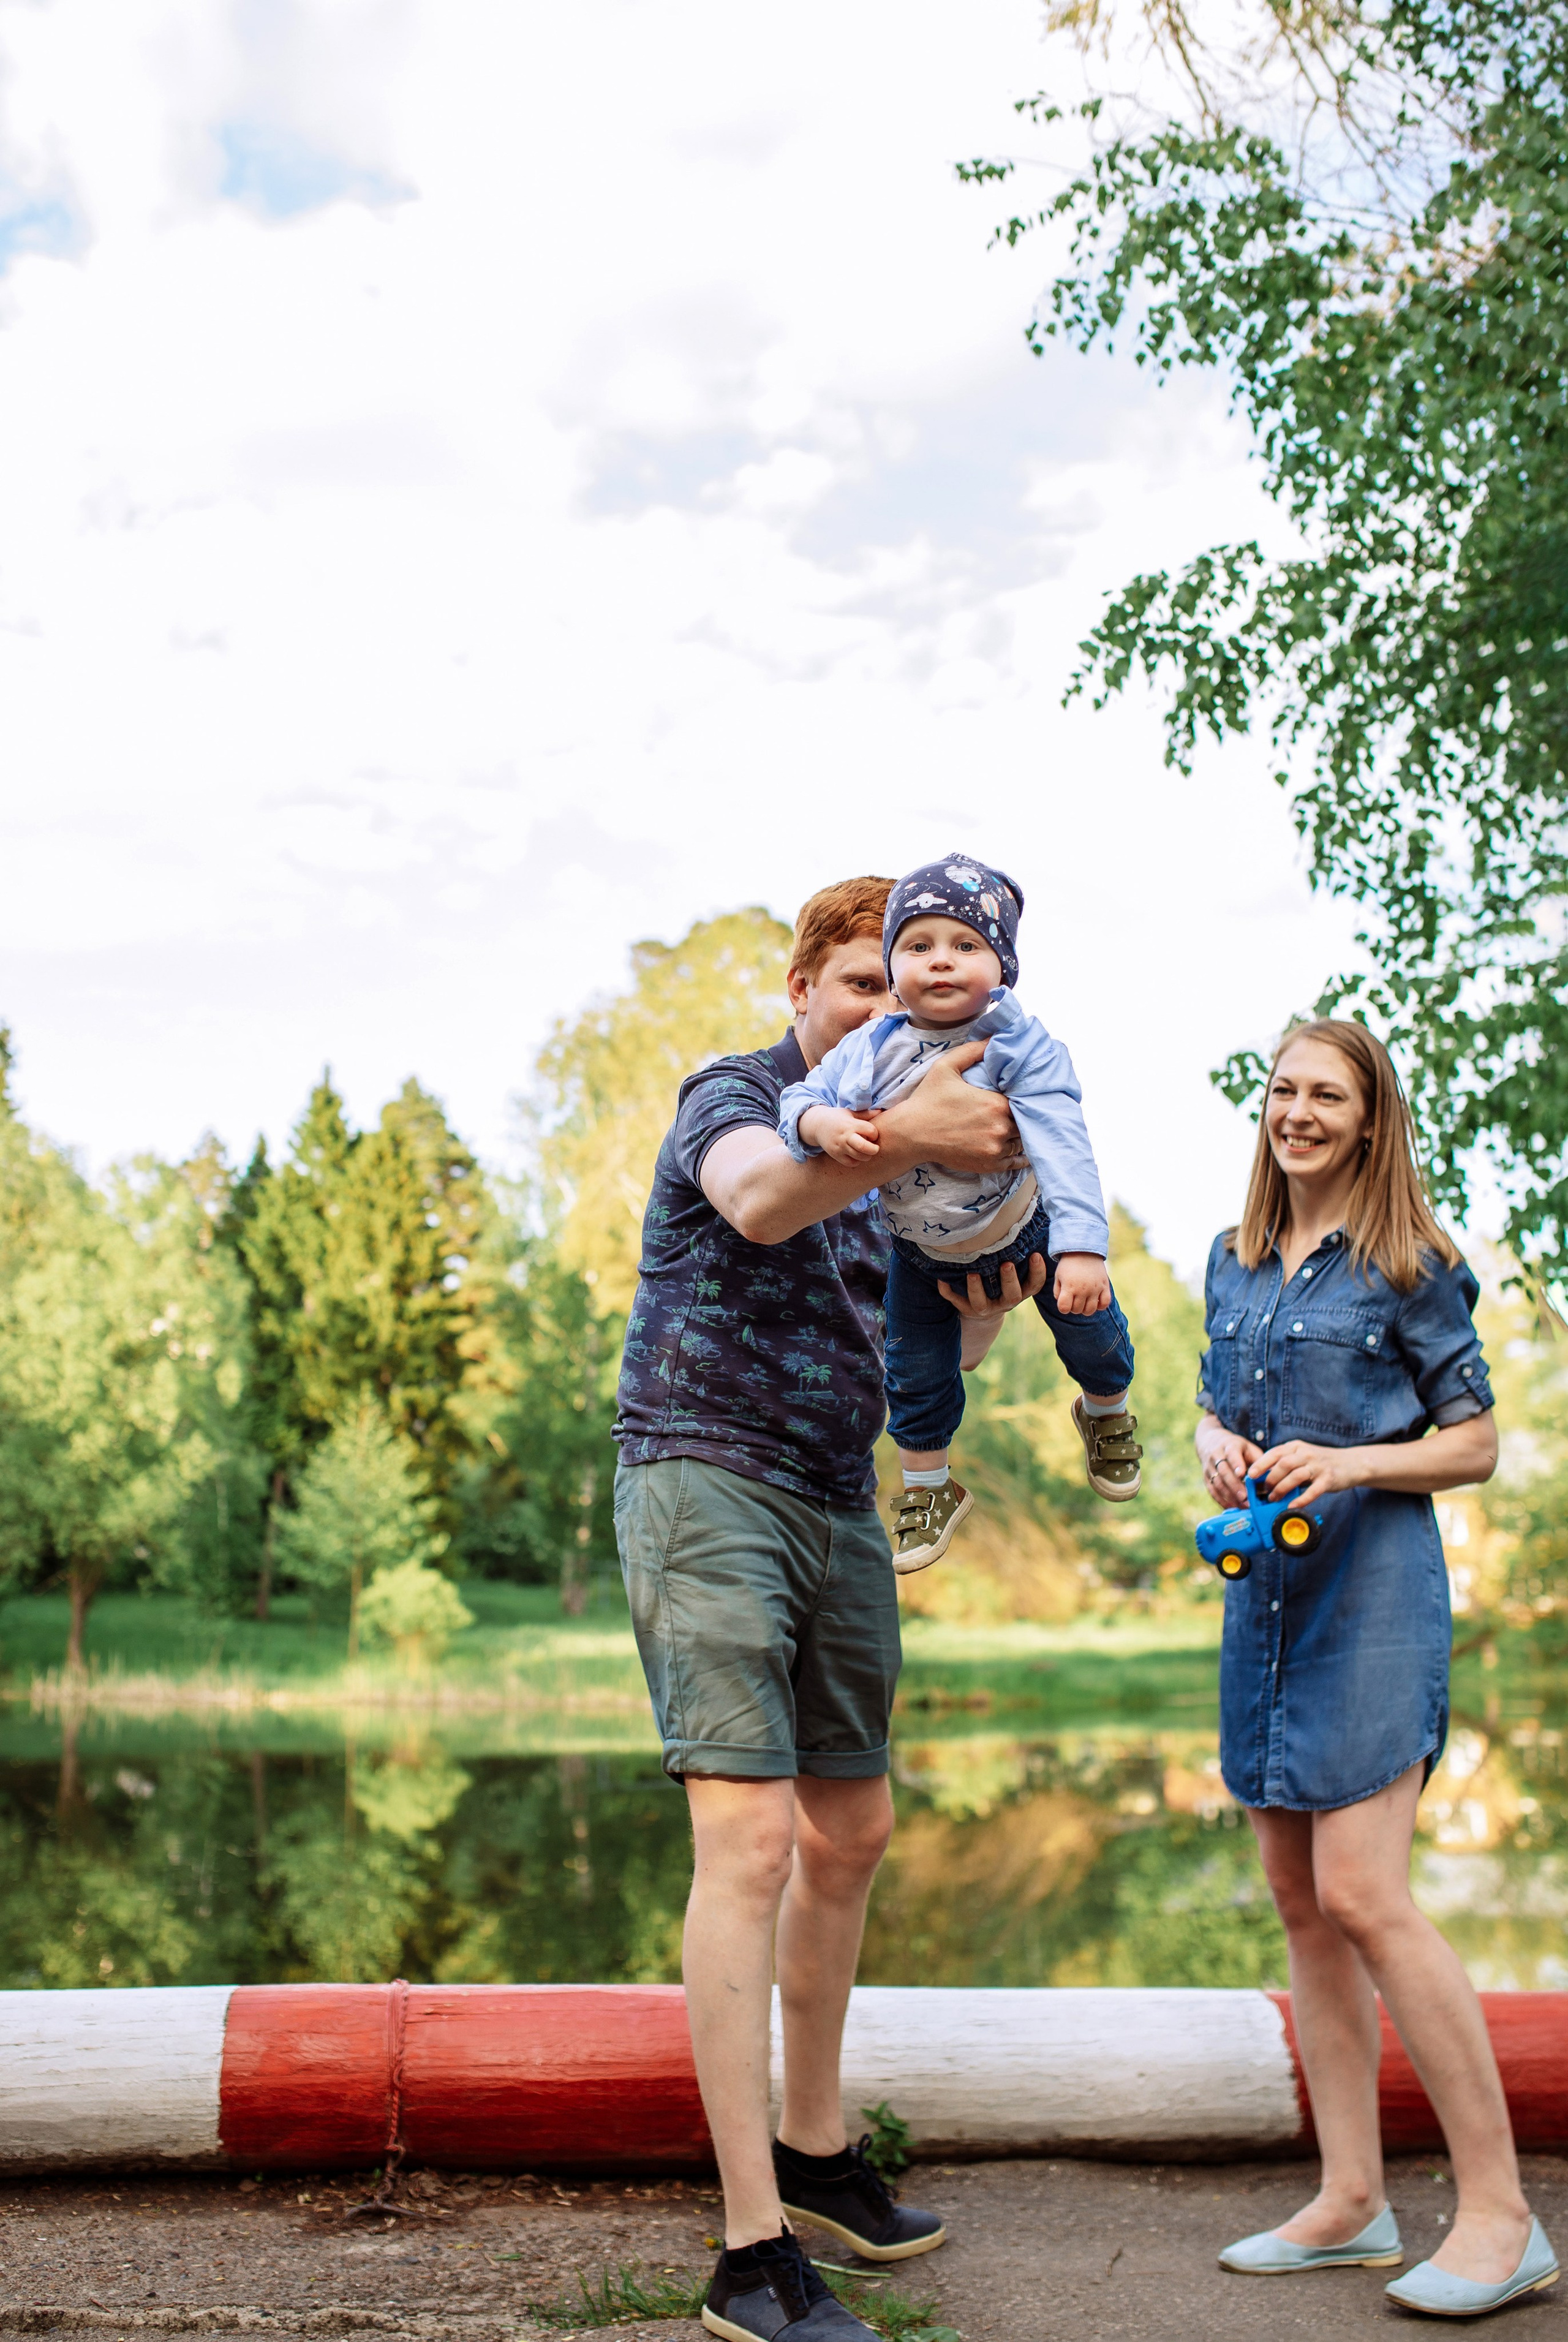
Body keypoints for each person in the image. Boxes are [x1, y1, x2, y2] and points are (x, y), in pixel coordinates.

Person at [613, 874, 1044, 2342]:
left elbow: (956, 1339)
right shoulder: (730, 1092)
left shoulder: (909, 1160)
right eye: (860, 982)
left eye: (908, 983)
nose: (888, 1006)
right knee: (743, 1840)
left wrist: (1000, 1263)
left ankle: (810, 2152)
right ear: (804, 991)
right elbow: (752, 1196)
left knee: (848, 1828)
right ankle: (747, 2255)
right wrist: (892, 1142)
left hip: (835, 1498)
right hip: (702, 1480)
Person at [1196, 1018, 1558, 2319]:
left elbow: (1471, 1447)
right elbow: (1216, 1401)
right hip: (1266, 1606)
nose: (1296, 1112)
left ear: (1366, 1119)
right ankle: (1349, 2200)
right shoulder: (1229, 1262)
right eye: (1282, 1089)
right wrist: (1210, 1440)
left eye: (1325, 1095)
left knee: (1366, 1894)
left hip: (1373, 1597)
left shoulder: (1412, 1262)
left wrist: (1346, 1462)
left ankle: (1502, 2218)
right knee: (1297, 1899)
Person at [777, 853, 1139, 1572]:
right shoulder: (868, 1049)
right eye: (917, 947)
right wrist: (822, 1128)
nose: (940, 963)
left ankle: (1106, 1409)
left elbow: (1064, 1144)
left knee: (1090, 1329)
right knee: (912, 1374)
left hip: (1024, 1228)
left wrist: (1081, 1247)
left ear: (1001, 965)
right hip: (920, 1252)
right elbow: (800, 1101)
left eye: (964, 946)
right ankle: (928, 1486)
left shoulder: (1018, 1044)